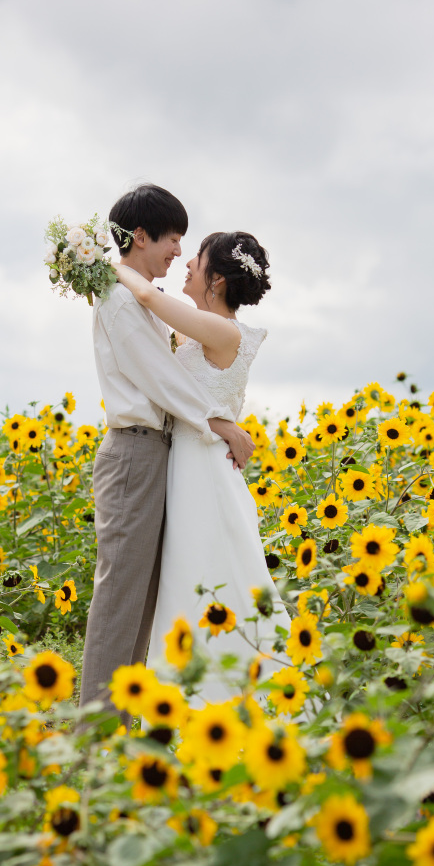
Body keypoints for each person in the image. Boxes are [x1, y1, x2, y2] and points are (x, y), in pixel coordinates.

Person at [79, 185, 255, 710]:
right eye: (173, 238)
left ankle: (120, 723)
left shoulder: (138, 298)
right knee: (119, 599)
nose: (178, 251)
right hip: (133, 452)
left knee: (144, 600)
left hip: (156, 453)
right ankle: (95, 734)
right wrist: (218, 422)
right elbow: (160, 379)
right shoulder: (118, 299)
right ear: (140, 236)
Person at [113, 228, 291, 702]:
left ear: (216, 281)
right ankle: (199, 692)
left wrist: (100, 261)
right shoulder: (200, 329)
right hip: (190, 460)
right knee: (196, 573)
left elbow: (148, 295)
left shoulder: (223, 329)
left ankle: (219, 694)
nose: (187, 264)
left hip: (204, 470)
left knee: (206, 571)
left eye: (197, 258)